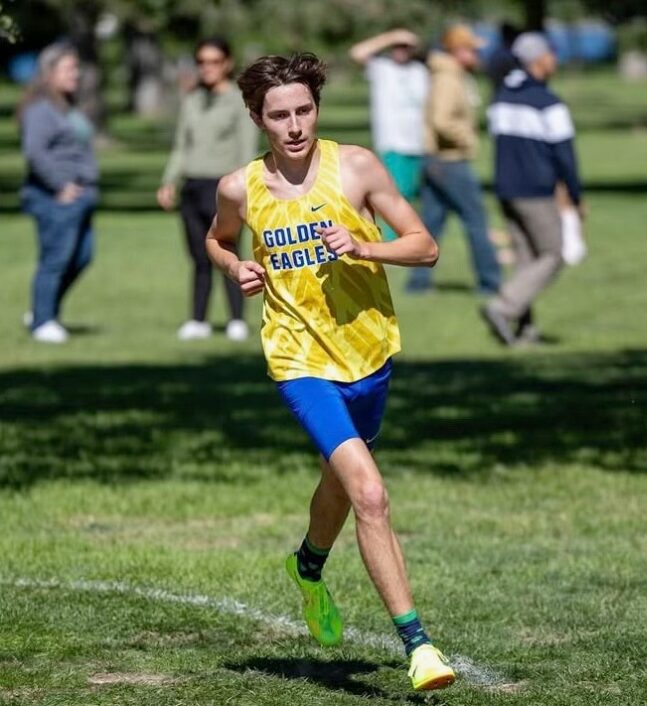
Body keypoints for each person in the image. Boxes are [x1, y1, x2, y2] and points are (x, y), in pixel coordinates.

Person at [205, 52, 456, 692]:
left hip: (368, 354)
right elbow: (217, 238)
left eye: (304, 110)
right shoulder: (239, 188)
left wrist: (365, 245)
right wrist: (236, 268)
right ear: (257, 119)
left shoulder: (358, 167)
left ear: (317, 108)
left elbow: (425, 246)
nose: (294, 126)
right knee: (369, 492)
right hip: (298, 360)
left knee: (341, 483)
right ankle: (420, 648)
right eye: (279, 116)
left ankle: (308, 566)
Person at [483, 32, 585, 345]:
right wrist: (575, 196)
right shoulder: (548, 103)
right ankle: (503, 307)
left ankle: (525, 331)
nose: (555, 59)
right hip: (536, 192)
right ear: (539, 60)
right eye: (551, 54)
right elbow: (565, 156)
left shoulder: (501, 97)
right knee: (554, 254)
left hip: (505, 189)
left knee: (526, 261)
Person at [157, 37, 258, 341]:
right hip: (192, 186)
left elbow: (246, 148)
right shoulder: (192, 99)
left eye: (214, 61)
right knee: (199, 257)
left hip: (222, 187)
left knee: (227, 252)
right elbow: (181, 146)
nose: (207, 68)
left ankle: (236, 319)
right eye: (201, 62)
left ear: (227, 63)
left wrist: (243, 189)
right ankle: (198, 319)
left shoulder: (238, 101)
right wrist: (169, 180)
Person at [405, 23, 501, 295]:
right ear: (458, 51)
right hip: (450, 161)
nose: (476, 55)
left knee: (431, 224)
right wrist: (467, 138)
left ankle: (417, 284)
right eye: (472, 50)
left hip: (436, 161)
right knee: (477, 221)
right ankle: (490, 284)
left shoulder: (449, 74)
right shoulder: (448, 78)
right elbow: (442, 120)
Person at [18, 43, 98, 344]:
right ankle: (43, 321)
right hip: (55, 197)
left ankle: (42, 310)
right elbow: (34, 152)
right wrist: (60, 185)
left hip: (81, 195)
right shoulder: (40, 110)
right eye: (68, 69)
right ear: (48, 73)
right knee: (55, 259)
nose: (75, 74)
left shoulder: (67, 106)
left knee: (82, 257)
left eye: (76, 68)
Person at [349, 29, 429, 241]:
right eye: (397, 47)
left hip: (418, 142)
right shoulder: (382, 68)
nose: (401, 51)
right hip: (392, 142)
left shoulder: (419, 71)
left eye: (405, 47)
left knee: (411, 193)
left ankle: (408, 236)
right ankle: (394, 240)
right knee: (395, 194)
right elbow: (357, 53)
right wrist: (391, 37)